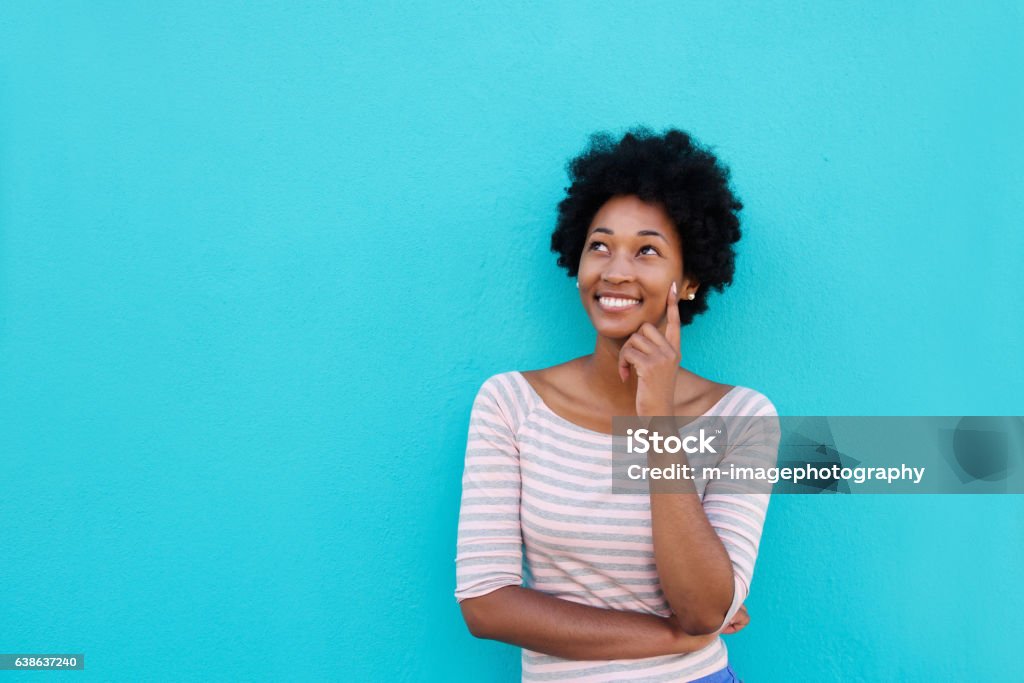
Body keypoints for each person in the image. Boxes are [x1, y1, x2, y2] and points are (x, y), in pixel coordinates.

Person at [454, 127, 780, 682]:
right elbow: (486, 604)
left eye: (647, 250)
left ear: (689, 281)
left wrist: (657, 416)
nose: (615, 271)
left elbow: (704, 606)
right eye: (599, 246)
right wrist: (672, 636)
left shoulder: (743, 418)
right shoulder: (510, 404)